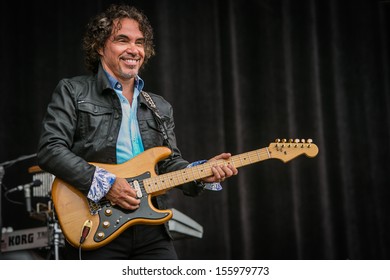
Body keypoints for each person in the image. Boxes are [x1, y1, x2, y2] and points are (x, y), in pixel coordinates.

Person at [37, 3, 237, 260]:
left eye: (140, 42)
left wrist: (199, 173)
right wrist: (107, 185)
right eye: (123, 40)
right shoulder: (73, 92)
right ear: (99, 46)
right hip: (96, 224)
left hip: (151, 229)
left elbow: (168, 163)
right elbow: (50, 150)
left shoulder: (159, 106)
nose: (134, 49)